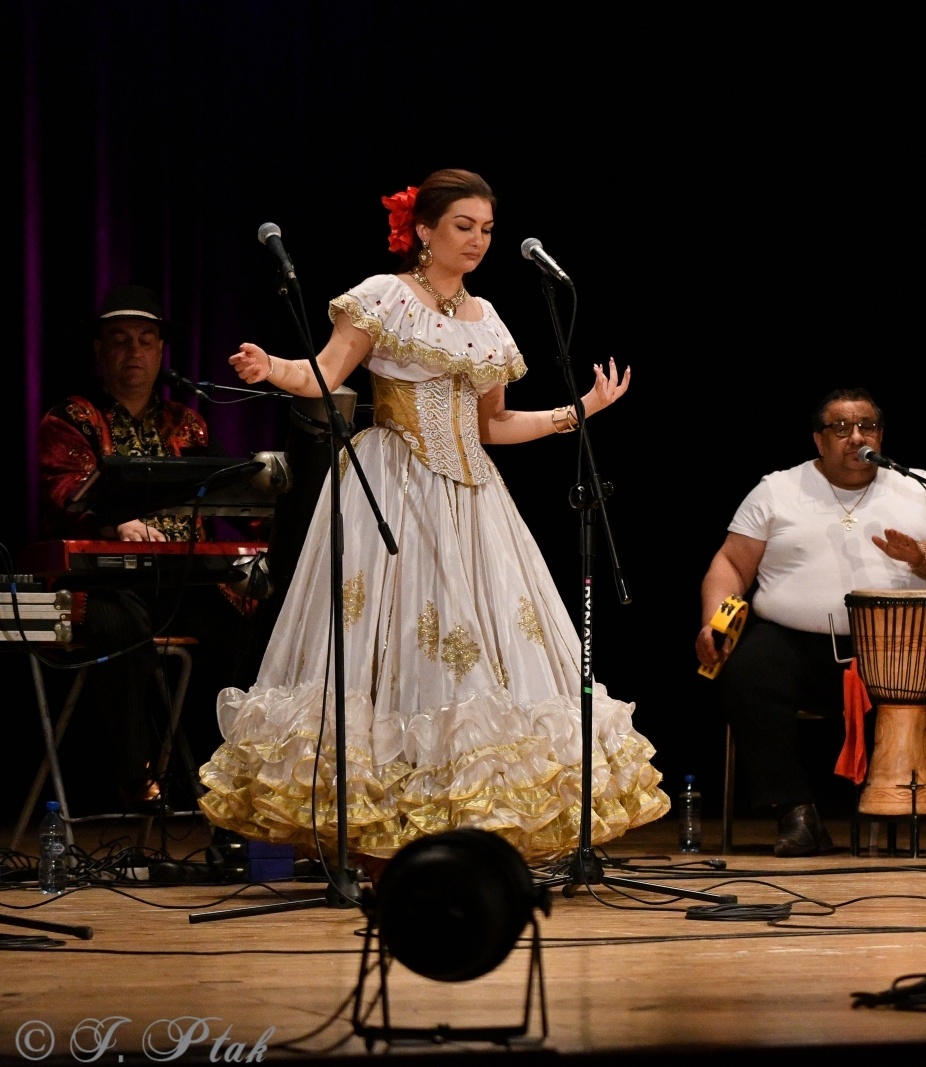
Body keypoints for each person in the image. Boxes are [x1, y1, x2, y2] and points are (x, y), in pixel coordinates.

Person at [198, 169, 668, 860]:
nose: (477, 241)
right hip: (393, 487)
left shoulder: (487, 321)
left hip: (474, 500)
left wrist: (581, 413)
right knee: (389, 649)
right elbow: (325, 374)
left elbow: (495, 424)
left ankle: (468, 824)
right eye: (462, 226)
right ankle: (375, 834)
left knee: (480, 651)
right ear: (423, 229)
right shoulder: (386, 297)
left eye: (486, 229)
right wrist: (273, 365)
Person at [695, 389, 926, 855]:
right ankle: (797, 815)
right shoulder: (777, 489)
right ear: (818, 440)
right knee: (747, 669)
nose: (856, 437)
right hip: (798, 648)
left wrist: (923, 556)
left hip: (907, 649)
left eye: (867, 426)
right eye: (841, 428)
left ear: (881, 436)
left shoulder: (919, 484)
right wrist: (712, 623)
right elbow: (731, 565)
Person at [35, 285, 232, 808]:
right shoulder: (71, 418)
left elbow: (223, 493)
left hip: (178, 578)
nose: (134, 352)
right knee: (123, 626)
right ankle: (133, 771)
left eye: (145, 340)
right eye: (120, 341)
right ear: (99, 350)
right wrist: (116, 523)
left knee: (242, 618)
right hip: (103, 579)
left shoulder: (187, 422)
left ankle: (232, 772)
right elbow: (63, 492)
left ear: (161, 351)